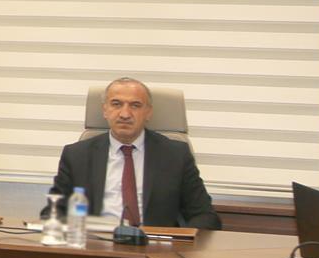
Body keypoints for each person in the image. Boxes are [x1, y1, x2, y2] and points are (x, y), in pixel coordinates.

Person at [49, 77, 218, 229]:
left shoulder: (175, 155)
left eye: (135, 105)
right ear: (105, 110)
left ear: (148, 112)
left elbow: (204, 216)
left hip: (154, 246)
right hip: (96, 244)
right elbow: (53, 212)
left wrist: (178, 244)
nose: (125, 114)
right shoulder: (77, 155)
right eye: (116, 104)